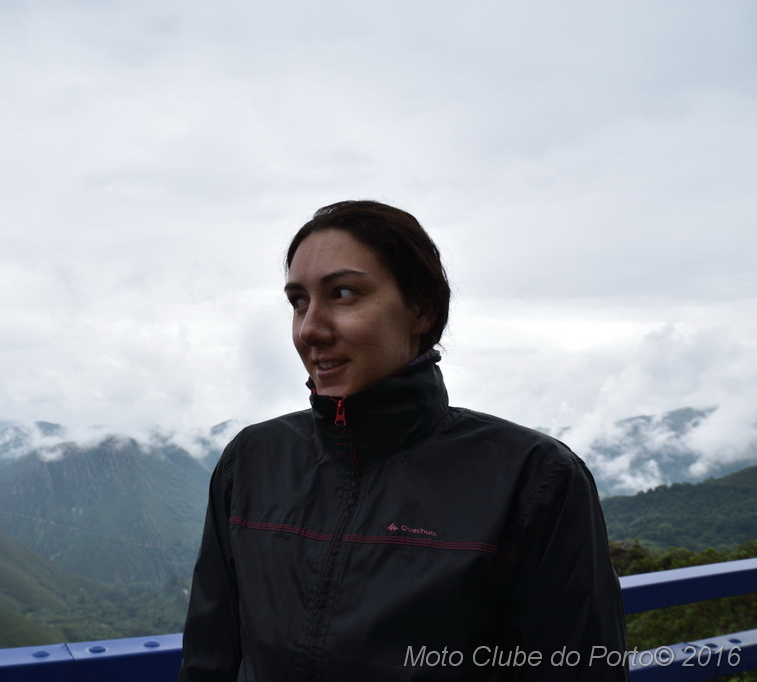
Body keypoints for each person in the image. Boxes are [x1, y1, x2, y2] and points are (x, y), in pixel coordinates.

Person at [179, 200, 628, 681]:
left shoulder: (535, 479)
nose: (309, 329)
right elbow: (210, 661)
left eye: (343, 293)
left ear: (421, 310)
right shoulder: (251, 462)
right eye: (298, 301)